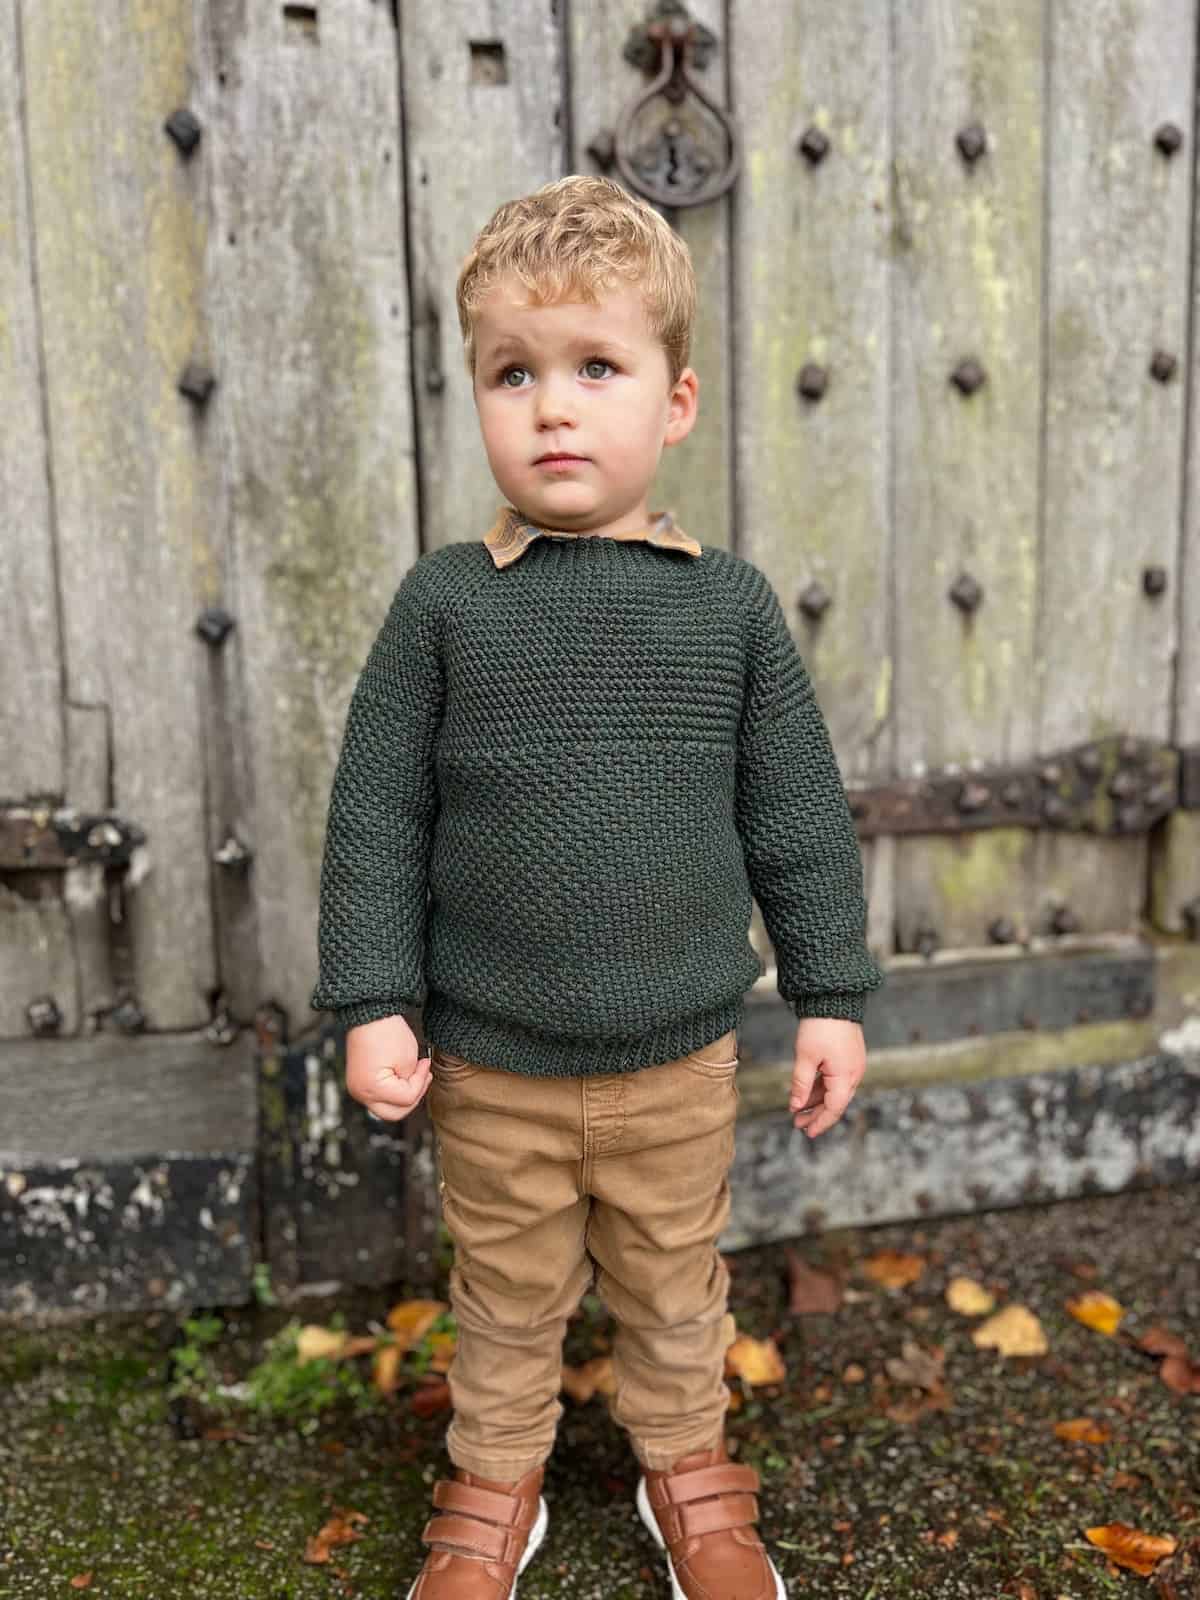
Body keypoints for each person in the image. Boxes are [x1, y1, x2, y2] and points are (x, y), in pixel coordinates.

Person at [310, 173, 886, 1600]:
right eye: (515, 374)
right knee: (505, 1299)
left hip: (677, 1063)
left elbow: (796, 815)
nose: (552, 408)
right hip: (494, 1063)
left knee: (674, 1291)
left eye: (595, 369)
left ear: (674, 403)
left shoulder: (729, 607)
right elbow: (376, 811)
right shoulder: (446, 604)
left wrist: (831, 995)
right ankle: (495, 1483)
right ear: (478, 393)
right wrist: (373, 994)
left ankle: (685, 1467)